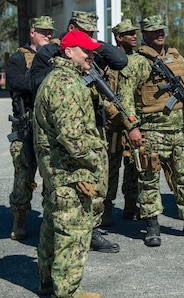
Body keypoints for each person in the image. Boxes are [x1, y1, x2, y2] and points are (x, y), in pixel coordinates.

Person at [29, 10, 125, 253]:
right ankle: (71, 238)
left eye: (91, 33)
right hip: (65, 134)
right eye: (83, 31)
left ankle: (91, 229)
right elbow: (34, 84)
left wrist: (93, 45)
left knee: (94, 188)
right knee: (65, 196)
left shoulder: (88, 56)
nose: (91, 55)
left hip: (89, 124)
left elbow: (120, 61)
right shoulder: (51, 56)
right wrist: (71, 73)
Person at [117, 14, 184, 247]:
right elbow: (124, 97)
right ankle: (152, 225)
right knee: (149, 179)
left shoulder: (176, 58)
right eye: (154, 30)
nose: (160, 33)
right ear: (145, 34)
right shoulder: (137, 62)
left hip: (179, 131)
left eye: (162, 29)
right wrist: (132, 126)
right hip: (150, 131)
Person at [34, 30, 106, 298]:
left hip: (57, 171)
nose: (91, 55)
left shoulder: (56, 79)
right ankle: (68, 291)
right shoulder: (67, 84)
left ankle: (47, 283)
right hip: (69, 171)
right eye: (85, 50)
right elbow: (72, 137)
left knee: (53, 227)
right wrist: (94, 158)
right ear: (68, 52)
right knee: (73, 231)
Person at [5, 16, 55, 240]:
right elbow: (16, 83)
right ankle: (20, 218)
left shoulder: (55, 55)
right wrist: (45, 79)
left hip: (50, 128)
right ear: (32, 32)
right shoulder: (18, 58)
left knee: (52, 176)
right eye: (43, 31)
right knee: (24, 177)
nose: (48, 35)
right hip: (27, 126)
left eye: (51, 32)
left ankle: (51, 219)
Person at [101, 19, 140, 226]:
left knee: (134, 164)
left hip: (133, 121)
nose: (134, 36)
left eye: (135, 32)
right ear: (118, 37)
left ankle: (131, 204)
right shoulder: (107, 61)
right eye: (129, 33)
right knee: (111, 166)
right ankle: (107, 207)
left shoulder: (139, 59)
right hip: (113, 124)